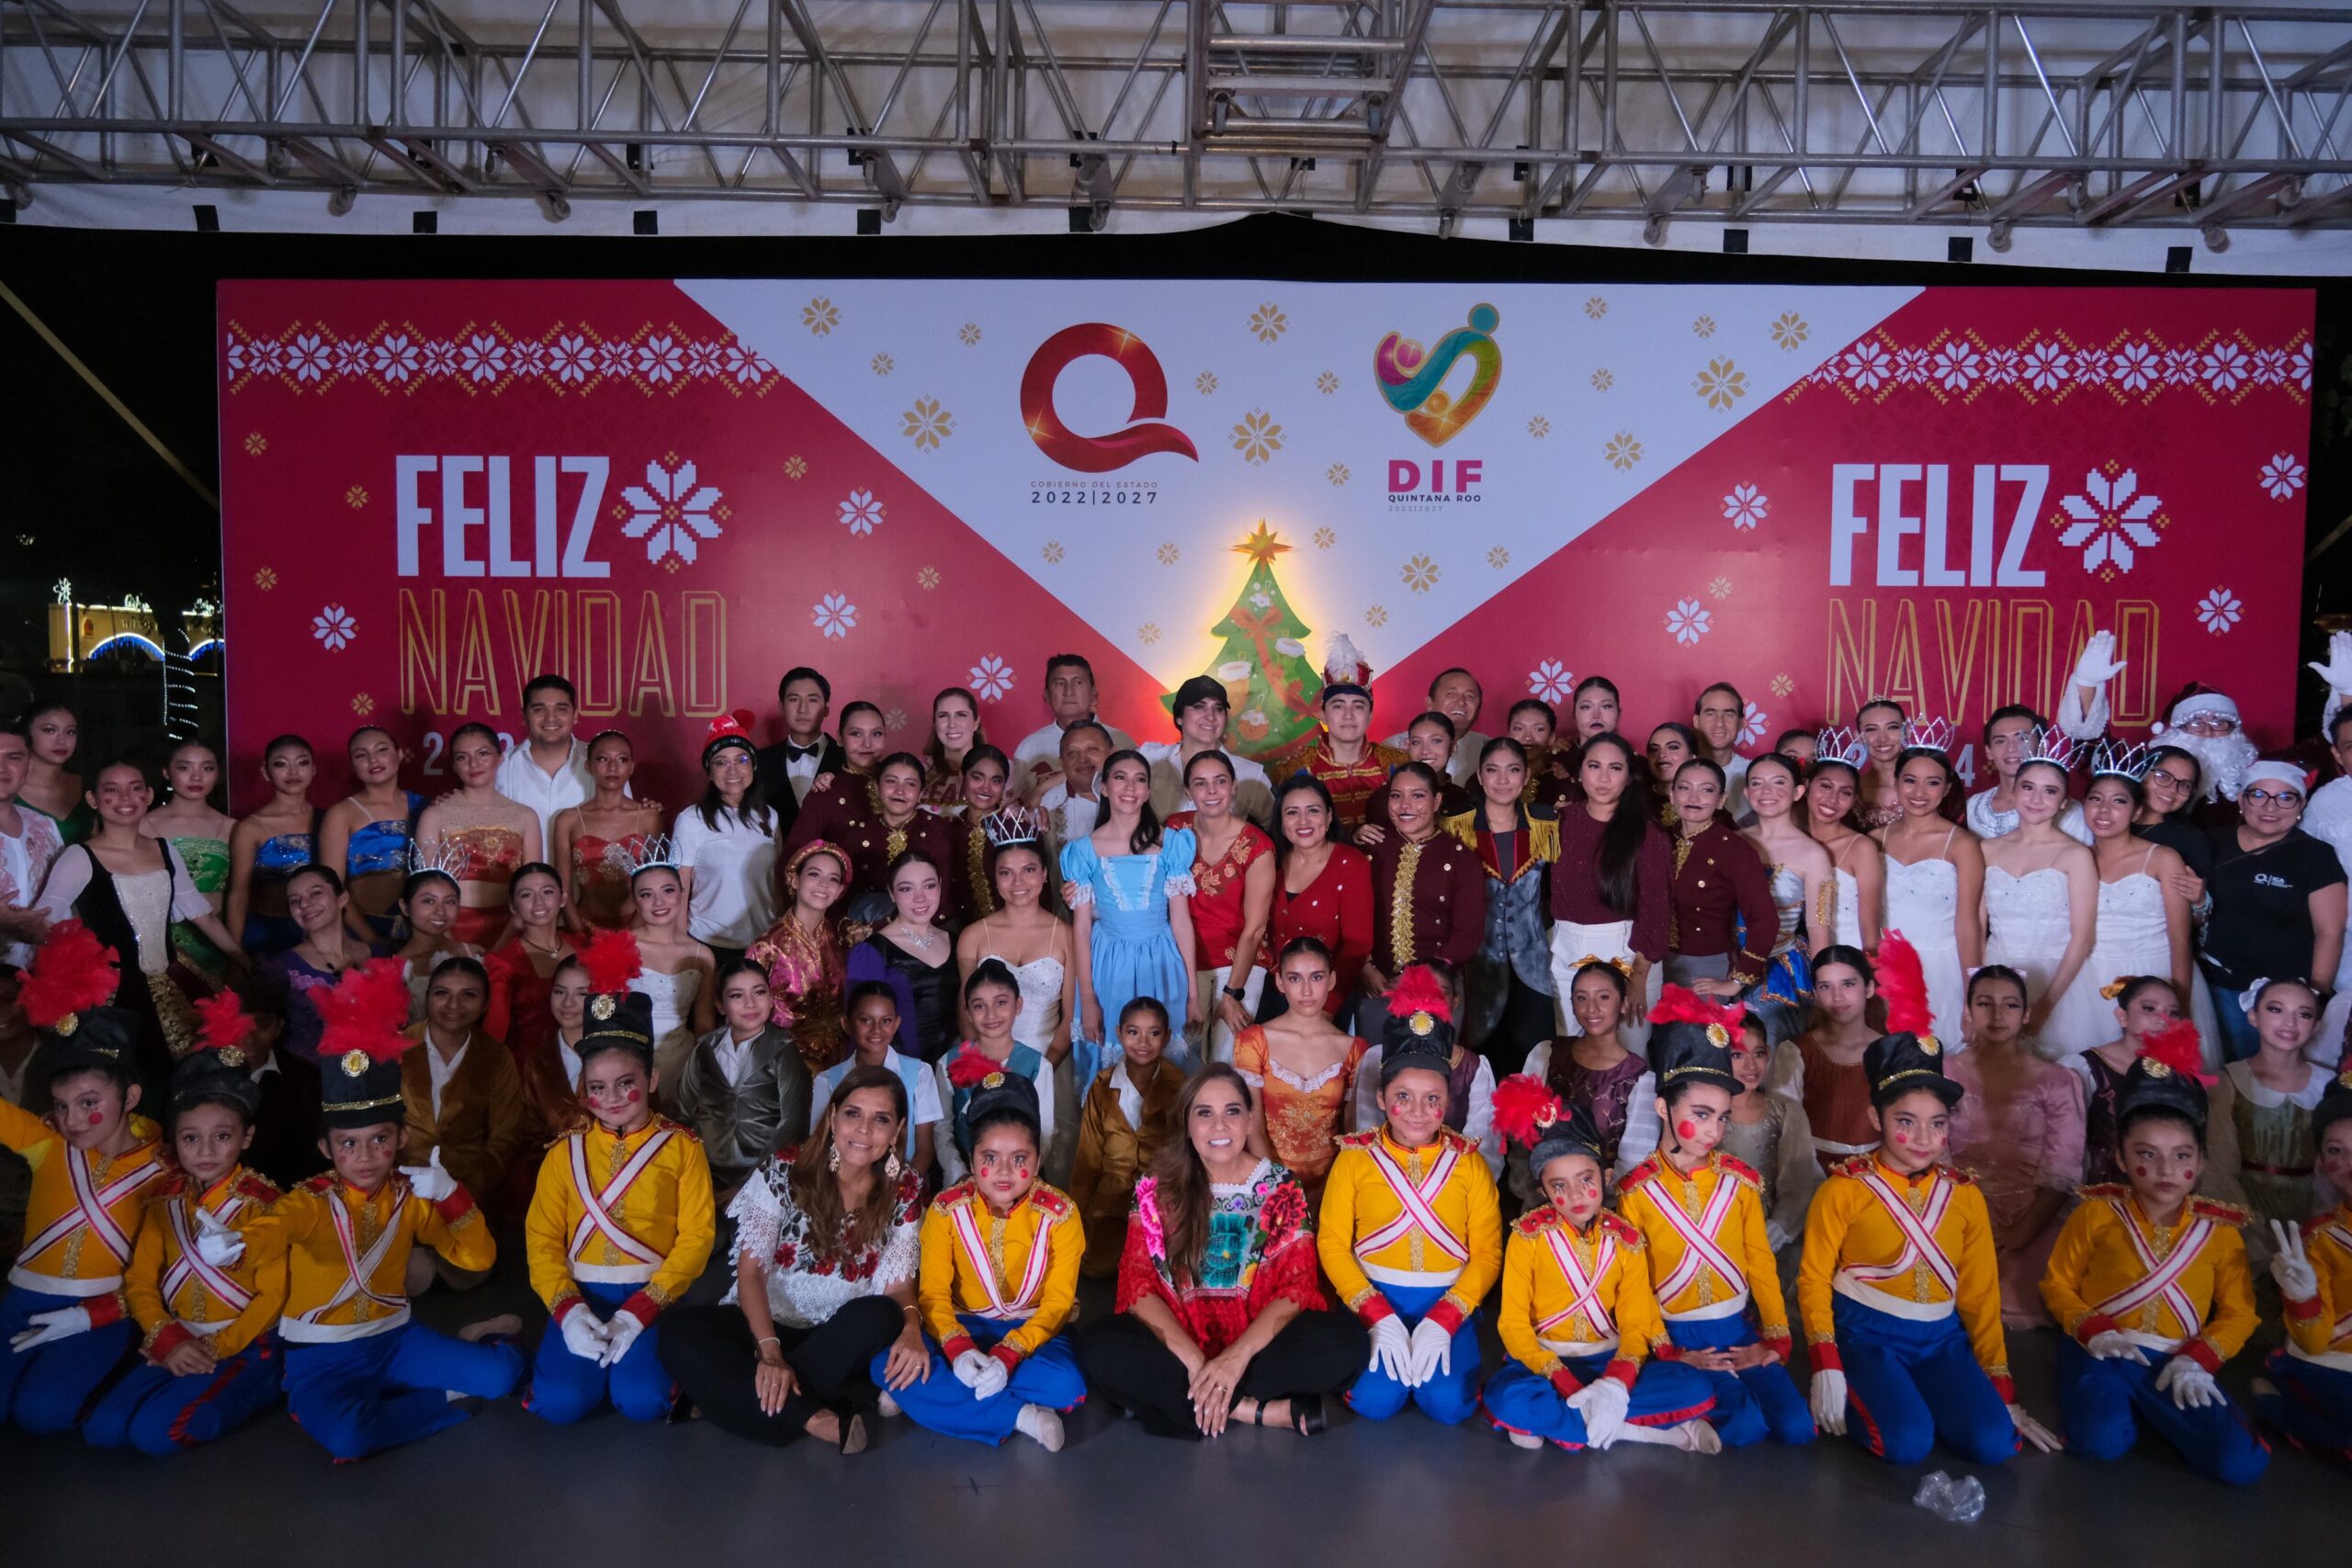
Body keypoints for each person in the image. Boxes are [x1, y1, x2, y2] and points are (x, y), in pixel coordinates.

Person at [1798, 959, 2063, 1465]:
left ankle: (1926, 1399)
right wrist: (1825, 1361)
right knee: (1906, 1442)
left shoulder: (1964, 1195)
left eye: (1937, 1124)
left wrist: (2002, 1391)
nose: (1924, 1140)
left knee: (1993, 1443)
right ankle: (1882, 1396)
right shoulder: (1845, 1189)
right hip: (1866, 1332)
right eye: (1906, 1121)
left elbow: (1981, 1294)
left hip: (1941, 1338)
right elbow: (1812, 1280)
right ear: (1875, 1116)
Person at [276, 958, 525, 1461]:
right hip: (324, 1357)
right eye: (348, 1145)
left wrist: (452, 1192)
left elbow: (477, 1258)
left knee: (505, 1375)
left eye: (380, 1140)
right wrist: (231, 1246)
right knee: (350, 1435)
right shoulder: (304, 1200)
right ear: (326, 1148)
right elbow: (267, 1233)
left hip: (395, 1338)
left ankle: (455, 1357)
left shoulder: (412, 1195)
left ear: (400, 1138)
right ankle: (435, 1397)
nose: (364, 1158)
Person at [1079, 1065, 1365, 1438]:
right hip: (1180, 1348)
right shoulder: (1153, 1189)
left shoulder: (1280, 1186)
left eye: (1232, 1111)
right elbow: (1138, 1285)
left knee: (1348, 1342)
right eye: (1205, 1113)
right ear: (1187, 1124)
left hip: (1257, 1349)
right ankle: (1250, 1409)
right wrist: (1198, 1362)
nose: (1219, 1126)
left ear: (1249, 1120)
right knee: (1097, 1346)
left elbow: (1296, 1290)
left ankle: (1187, 1403)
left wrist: (1234, 1358)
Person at [659, 1065, 927, 1450]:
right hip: (766, 1323)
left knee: (882, 1315)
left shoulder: (905, 1185)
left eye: (880, 1119)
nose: (864, 1129)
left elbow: (898, 1286)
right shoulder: (786, 1167)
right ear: (833, 1116)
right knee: (678, 1331)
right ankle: (812, 1417)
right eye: (853, 1113)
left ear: (898, 1130)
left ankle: (727, 1399)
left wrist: (913, 1330)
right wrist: (769, 1353)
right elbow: (751, 1272)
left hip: (838, 1334)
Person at [2041, 1056, 2267, 1483]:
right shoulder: (2095, 1214)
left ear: (2200, 1163)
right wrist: (2093, 1330)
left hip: (2179, 1358)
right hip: (2103, 1350)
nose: (2166, 1170)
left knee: (2240, 1464)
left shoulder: (2220, 1232)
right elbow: (2057, 1284)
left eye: (2181, 1155)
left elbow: (2240, 1314)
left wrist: (2200, 1359)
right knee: (2100, 1442)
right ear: (2122, 1159)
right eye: (2147, 1154)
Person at [85, 997, 288, 1454]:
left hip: (242, 1343)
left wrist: (216, 1347)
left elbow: (273, 1296)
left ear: (246, 1137)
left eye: (223, 1136)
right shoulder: (163, 1201)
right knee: (102, 1429)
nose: (206, 1151)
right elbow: (139, 1281)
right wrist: (167, 1338)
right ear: (174, 1140)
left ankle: (269, 1386)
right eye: (190, 1138)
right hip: (177, 1336)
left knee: (155, 1434)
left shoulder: (269, 1207)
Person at [1614, 1001, 1815, 1448]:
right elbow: (1635, 1286)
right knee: (1746, 1429)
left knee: (1798, 1429)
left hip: (1737, 1328)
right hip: (1678, 1332)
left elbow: (1760, 1263)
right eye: (1701, 1114)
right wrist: (1671, 1350)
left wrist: (1775, 1339)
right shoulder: (1636, 1193)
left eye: (1721, 1117)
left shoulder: (1740, 1183)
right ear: (1664, 1109)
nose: (1714, 1130)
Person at [1482, 1087, 1723, 1453]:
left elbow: (1635, 1319)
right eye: (1559, 1186)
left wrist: (1616, 1382)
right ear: (1544, 1191)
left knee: (1694, 1385)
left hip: (1607, 1358)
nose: (1576, 1196)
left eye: (1586, 1179)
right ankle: (1648, 1433)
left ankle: (1563, 1424)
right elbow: (1513, 1324)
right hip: (1546, 1362)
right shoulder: (1526, 1238)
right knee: (1509, 1396)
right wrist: (1566, 1383)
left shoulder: (1626, 1239)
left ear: (1606, 1175)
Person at [522, 986, 716, 1425]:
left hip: (653, 1293)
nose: (610, 1098)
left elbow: (697, 1237)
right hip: (581, 1293)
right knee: (559, 1404)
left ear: (651, 1080)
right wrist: (567, 1311)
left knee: (644, 1402)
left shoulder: (683, 1149)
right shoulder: (563, 1154)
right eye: (597, 1087)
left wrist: (643, 1309)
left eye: (626, 1084)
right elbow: (542, 1238)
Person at [1317, 967, 1501, 1424]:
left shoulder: (1469, 1163)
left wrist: (1447, 1318)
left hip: (1447, 1300)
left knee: (1449, 1407)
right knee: (1375, 1404)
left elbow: (1487, 1253)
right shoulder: (1355, 1159)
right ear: (1380, 1098)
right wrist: (1375, 1312)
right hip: (1374, 1296)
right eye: (1403, 1096)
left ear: (1448, 1103)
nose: (1419, 1112)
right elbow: (1333, 1244)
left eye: (1432, 1099)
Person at [1, 927, 165, 1433]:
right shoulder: (46, 1141)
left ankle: (121, 1367)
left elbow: (164, 1268)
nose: (72, 1120)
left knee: (41, 1415)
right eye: (62, 1105)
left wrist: (97, 1315)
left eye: (89, 1103)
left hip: (103, 1308)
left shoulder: (165, 1167)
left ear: (130, 1098)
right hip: (25, 1296)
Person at [889, 1071, 1085, 1450]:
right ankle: (1022, 1416)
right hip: (961, 1324)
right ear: (970, 1157)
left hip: (1033, 1331)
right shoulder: (946, 1209)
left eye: (1020, 1158)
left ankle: (929, 1395)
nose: (1004, 1172)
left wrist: (1010, 1352)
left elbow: (1058, 1303)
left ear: (1039, 1157)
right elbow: (932, 1294)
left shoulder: (1062, 1213)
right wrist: (958, 1349)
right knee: (886, 1360)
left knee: (1067, 1385)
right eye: (990, 1158)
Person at [34, 759, 247, 1092]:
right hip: (109, 993)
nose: (125, 798)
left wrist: (244, 960)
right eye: (112, 790)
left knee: (189, 1079)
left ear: (149, 795)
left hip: (174, 977)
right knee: (120, 1083)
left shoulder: (164, 849)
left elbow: (201, 915)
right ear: (93, 799)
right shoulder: (79, 856)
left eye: (135, 789)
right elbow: (46, 919)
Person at [1946, 966, 2086, 1327]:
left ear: (2026, 1014)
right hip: (1955, 1214)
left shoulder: (2057, 1080)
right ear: (1968, 1011)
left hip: (2032, 1217)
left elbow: (2063, 1170)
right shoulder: (1942, 1073)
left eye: (2009, 1005)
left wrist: (2018, 1234)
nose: (1996, 1016)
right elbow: (1930, 1156)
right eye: (1984, 1003)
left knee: (2023, 1294)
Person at [1065, 749, 1200, 1084]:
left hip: (1162, 961)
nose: (1130, 787)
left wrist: (1194, 995)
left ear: (1149, 790)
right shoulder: (1083, 851)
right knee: (1113, 1063)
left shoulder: (1171, 845)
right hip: (1109, 963)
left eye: (1140, 779)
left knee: (1164, 1059)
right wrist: (1088, 998)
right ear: (1105, 788)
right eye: (1120, 778)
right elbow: (1081, 929)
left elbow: (1181, 921)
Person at [2201, 762, 2346, 1062]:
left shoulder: (2316, 856)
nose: (2270, 807)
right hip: (2216, 988)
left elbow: (2329, 932)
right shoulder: (2211, 843)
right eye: (2258, 795)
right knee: (2220, 1077)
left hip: (2284, 999)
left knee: (2273, 1078)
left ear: (2301, 805)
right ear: (2241, 800)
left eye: (2285, 797)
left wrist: (2316, 994)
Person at [955, 825, 1078, 1162]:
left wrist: (1040, 1068)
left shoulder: (1066, 935)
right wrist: (984, 1067)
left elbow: (1071, 1017)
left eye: (1028, 871)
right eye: (1006, 873)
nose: (1018, 882)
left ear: (1043, 875)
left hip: (1050, 1061)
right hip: (983, 1064)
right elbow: (966, 1009)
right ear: (994, 879)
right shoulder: (973, 935)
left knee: (1048, 1151)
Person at [1979, 731, 2105, 1057]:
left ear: (2064, 802)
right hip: (1996, 970)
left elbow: (2083, 938)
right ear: (2015, 790)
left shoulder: (2076, 855)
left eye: (2049, 791)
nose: (2036, 799)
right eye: (2028, 787)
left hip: (2057, 979)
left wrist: (2046, 1003)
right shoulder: (1987, 850)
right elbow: (1977, 925)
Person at [1444, 739, 1558, 1076]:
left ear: (1525, 777)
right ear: (1479, 776)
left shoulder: (1543, 824)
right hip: (1479, 966)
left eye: (1513, 771)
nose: (1503, 780)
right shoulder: (1458, 825)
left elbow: (1555, 892)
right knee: (1481, 1061)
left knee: (1536, 1060)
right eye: (1493, 770)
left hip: (1534, 964)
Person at [401, 954, 525, 1261]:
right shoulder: (396, 1047)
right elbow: (378, 1125)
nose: (453, 1005)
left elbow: (505, 1137)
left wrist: (461, 1193)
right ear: (427, 998)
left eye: (468, 995)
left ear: (484, 1004)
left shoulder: (496, 1057)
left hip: (470, 1195)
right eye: (442, 993)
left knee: (468, 1270)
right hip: (401, 1194)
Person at [2257, 1067, 2352, 1457]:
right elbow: (2313, 1342)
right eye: (2335, 1151)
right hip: (2332, 1363)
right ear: (2320, 1162)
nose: (2350, 1162)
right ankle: (2279, 1410)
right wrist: (2303, 1294)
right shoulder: (2317, 1238)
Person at [2083, 749, 2204, 1053]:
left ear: (2136, 811)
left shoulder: (2163, 857)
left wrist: (2181, 1008)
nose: (2104, 811)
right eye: (2095, 800)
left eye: (2119, 801)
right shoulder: (2078, 857)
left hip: (2155, 968)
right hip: (2089, 979)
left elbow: (2180, 937)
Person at [1548, 734, 1668, 1036]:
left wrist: (1638, 978)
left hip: (1630, 955)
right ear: (1579, 772)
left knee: (1629, 1054)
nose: (1603, 778)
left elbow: (1656, 908)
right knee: (1570, 1052)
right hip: (1565, 951)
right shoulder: (1557, 822)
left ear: (1628, 776)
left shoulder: (1647, 833)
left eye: (1615, 768)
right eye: (1594, 766)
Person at [1234, 939, 1374, 1196]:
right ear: (1280, 983)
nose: (1307, 991)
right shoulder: (1254, 1041)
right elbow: (1251, 1124)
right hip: (1268, 1180)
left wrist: (1339, 1189)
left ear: (1331, 980)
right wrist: (1277, 1188)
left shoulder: (1354, 1049)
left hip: (1333, 1181)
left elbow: (1352, 1128)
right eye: (1295, 978)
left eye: (1316, 977)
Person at [1361, 761, 1486, 1047]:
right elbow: (1351, 920)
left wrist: (1420, 978)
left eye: (1418, 796)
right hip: (1375, 987)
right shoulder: (1370, 849)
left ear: (1437, 800)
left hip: (1438, 990)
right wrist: (1365, 969)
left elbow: (1467, 935)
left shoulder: (1459, 858)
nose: (1405, 805)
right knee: (1375, 1070)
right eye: (1396, 796)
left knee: (1435, 1071)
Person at [672, 957, 809, 1200]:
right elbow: (682, 1112)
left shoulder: (784, 1051)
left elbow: (791, 1126)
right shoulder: (705, 1050)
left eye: (759, 993)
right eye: (737, 995)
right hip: (705, 1172)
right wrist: (697, 1175)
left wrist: (749, 1185)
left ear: (770, 999)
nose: (750, 1004)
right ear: (720, 1005)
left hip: (763, 1176)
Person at [2208, 976, 2332, 1247]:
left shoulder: (2328, 1086)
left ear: (2315, 1026)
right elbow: (2219, 1168)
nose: (2289, 1023)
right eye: (2276, 1010)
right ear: (2253, 1016)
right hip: (2248, 1211)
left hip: (2315, 1214)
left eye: (2304, 1014)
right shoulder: (2228, 1080)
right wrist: (2248, 1230)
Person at [1169, 750, 1275, 1064]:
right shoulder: (1174, 831)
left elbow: (1255, 930)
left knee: (1226, 1063)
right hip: (1183, 963)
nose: (1211, 791)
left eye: (1220, 781)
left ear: (1234, 786)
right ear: (1188, 791)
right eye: (1200, 784)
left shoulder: (1257, 846)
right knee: (1183, 1064)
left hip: (1239, 966)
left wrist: (1233, 994)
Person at [1070, 996, 1188, 1277]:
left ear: (1167, 1036)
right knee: (1096, 1270)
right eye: (1133, 1032)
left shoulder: (1180, 1088)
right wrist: (1076, 1222)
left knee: (1160, 1273)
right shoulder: (1101, 1088)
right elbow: (1087, 1160)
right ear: (1119, 1033)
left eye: (1154, 1033)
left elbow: (1186, 1156)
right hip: (1109, 1205)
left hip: (1161, 1205)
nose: (1143, 1042)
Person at [1876, 737, 1981, 1045]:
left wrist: (1972, 995)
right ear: (1896, 783)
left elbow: (1968, 924)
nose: (1919, 793)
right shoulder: (1871, 840)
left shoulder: (1962, 844)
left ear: (1947, 788)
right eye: (1910, 780)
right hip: (1885, 971)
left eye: (1932, 783)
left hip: (1940, 971)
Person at [1516, 962, 1651, 1200]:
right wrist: (1540, 1192)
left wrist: (1586, 1199)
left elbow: (1634, 1162)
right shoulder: (1547, 1054)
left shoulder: (1639, 1078)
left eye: (1604, 997)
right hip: (1545, 1198)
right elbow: (1519, 1130)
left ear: (1624, 1004)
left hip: (1605, 1205)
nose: (1592, 1009)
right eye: (1581, 998)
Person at [414, 723, 542, 951]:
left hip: (511, 928)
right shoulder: (434, 815)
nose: (474, 764)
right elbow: (423, 888)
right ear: (454, 765)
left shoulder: (525, 816)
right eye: (463, 758)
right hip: (449, 931)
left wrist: (515, 929)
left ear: (500, 758)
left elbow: (533, 886)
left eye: (483, 754)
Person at [787, 751, 956, 921]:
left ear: (921, 793)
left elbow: (943, 893)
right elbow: (844, 898)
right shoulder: (858, 834)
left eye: (910, 784)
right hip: (870, 933)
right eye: (891, 781)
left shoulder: (937, 829)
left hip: (933, 927)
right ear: (876, 787)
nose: (900, 790)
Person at [2064, 978, 2197, 1187]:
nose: (2163, 1019)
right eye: (2149, 1009)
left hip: (2165, 1193)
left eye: (2172, 1013)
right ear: (2122, 1016)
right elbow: (2064, 1148)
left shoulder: (2181, 1074)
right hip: (2103, 1194)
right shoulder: (2086, 1068)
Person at [673, 711, 778, 969]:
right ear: (709, 771)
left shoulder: (770, 816)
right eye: (721, 762)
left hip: (762, 942)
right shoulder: (691, 821)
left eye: (741, 759)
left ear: (753, 765)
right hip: (708, 943)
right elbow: (679, 889)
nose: (733, 770)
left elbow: (777, 884)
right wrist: (679, 943)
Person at [1264, 775, 1373, 1024]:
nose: (1303, 821)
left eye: (1313, 811)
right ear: (1281, 821)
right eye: (1292, 812)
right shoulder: (1270, 861)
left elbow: (1357, 944)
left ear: (1329, 816)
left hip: (1327, 998)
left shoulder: (1351, 864)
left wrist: (1327, 1007)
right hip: (1274, 990)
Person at [1665, 759, 1776, 1001]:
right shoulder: (1658, 840)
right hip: (1651, 964)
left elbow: (1765, 920)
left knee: (1695, 1038)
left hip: (1704, 968)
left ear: (1721, 800)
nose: (1694, 797)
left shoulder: (1734, 850)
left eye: (1706, 789)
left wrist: (1737, 981)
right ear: (1671, 795)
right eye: (1684, 788)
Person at [1720, 999, 1820, 1269]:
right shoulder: (1707, 1113)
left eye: (1759, 1054)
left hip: (1769, 1233)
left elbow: (1798, 1181)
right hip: (1714, 1231)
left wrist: (1775, 1230)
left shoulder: (1785, 1113)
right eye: (1737, 1054)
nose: (1750, 1065)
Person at [936, 962, 1057, 1182]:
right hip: (964, 1179)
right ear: (968, 1012)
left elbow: (1045, 1131)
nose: (991, 1014)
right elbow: (942, 1126)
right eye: (979, 1006)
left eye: (1001, 1002)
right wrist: (958, 1172)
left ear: (1018, 1005)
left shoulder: (1036, 1065)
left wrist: (1022, 1173)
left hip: (1020, 1178)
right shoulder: (949, 1062)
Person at [1267, 640, 1406, 831]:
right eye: (1338, 706)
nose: (1348, 715)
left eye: (1358, 706)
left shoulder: (1396, 764)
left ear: (1370, 715)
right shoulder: (1295, 769)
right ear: (1322, 714)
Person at [812, 983, 943, 1179]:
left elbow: (924, 1148)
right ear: (847, 1024)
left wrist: (902, 1191)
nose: (876, 1030)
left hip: (902, 1185)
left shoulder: (920, 1074)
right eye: (866, 1020)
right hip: (842, 1183)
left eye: (886, 1021)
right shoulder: (828, 1081)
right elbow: (819, 1144)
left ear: (897, 1024)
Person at [1739, 753, 1835, 1010]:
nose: (1767, 791)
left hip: (1778, 969)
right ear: (1747, 793)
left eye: (1779, 782)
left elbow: (1819, 929)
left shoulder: (1814, 855)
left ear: (1798, 791)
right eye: (1757, 783)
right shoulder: (1731, 842)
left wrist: (1824, 991)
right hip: (1725, 963)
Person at [748, 840, 852, 1073]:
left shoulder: (842, 938)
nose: (823, 885)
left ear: (839, 891)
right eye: (814, 874)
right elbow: (748, 1014)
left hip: (839, 1059)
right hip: (784, 1063)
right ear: (795, 880)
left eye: (833, 879)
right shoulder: (767, 946)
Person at [846, 851, 958, 1064]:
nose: (920, 898)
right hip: (896, 1072)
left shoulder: (957, 941)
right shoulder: (872, 951)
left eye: (929, 885)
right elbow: (861, 1029)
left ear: (940, 886)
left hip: (952, 1070)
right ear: (891, 893)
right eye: (906, 888)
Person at [142, 739, 238, 982]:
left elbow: (240, 892)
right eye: (185, 768)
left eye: (207, 768)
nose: (196, 777)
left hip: (218, 941)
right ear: (166, 772)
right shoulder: (144, 825)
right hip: (162, 942)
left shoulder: (233, 828)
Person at [260, 863, 375, 1066]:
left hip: (375, 1078)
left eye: (315, 893)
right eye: (295, 901)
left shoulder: (376, 955)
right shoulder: (281, 966)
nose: (304, 904)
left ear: (342, 899)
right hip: (311, 1081)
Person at [552, 731, 667, 931]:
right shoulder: (568, 820)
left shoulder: (649, 817)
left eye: (622, 759)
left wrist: (628, 936)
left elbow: (656, 884)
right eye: (603, 759)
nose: (613, 767)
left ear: (631, 767)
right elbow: (563, 890)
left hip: (637, 929)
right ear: (588, 766)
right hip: (584, 928)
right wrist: (580, 933)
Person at [1784, 945, 1883, 1172]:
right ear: (1816, 994)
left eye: (1848, 984)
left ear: (1868, 988)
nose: (1837, 997)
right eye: (1825, 987)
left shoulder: (1891, 1051)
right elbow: (1785, 1130)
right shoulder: (1796, 1051)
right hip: (1813, 1171)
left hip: (1879, 1174)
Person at [318, 726, 420, 943]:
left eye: (381, 750)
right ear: (352, 764)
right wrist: (370, 939)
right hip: (364, 931)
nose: (373, 760)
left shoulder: (425, 806)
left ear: (400, 754)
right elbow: (332, 887)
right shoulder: (341, 814)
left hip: (420, 932)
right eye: (361, 755)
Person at [222, 733, 318, 958]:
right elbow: (238, 894)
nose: (293, 772)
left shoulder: (329, 819)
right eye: (281, 764)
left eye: (302, 763)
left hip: (321, 933)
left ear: (314, 769)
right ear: (266, 772)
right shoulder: (251, 827)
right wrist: (235, 955)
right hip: (268, 934)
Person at [626, 857, 717, 1084]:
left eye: (667, 891)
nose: (659, 902)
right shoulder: (621, 946)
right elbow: (604, 1014)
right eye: (646, 894)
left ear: (681, 893)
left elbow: (704, 1024)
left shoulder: (701, 955)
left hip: (681, 1061)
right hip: (628, 1060)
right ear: (636, 902)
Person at [1143, 675, 1275, 828]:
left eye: (1218, 709)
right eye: (1199, 707)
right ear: (1179, 717)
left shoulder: (1250, 773)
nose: (1210, 716)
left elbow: (1280, 829)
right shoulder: (1148, 759)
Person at [482, 863, 582, 1062]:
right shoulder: (503, 963)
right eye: (526, 895)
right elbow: (493, 1035)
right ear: (513, 905)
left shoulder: (585, 946)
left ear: (562, 898)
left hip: (590, 1066)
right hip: (533, 1070)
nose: (538, 902)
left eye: (547, 892)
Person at [495, 674, 600, 849]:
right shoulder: (500, 767)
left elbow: (626, 817)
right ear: (524, 716)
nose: (550, 718)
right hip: (520, 875)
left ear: (575, 715)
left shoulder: (601, 762)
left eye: (561, 709)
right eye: (539, 710)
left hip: (584, 876)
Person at [1012, 654, 1134, 802]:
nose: (1069, 692)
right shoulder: (1029, 749)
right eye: (1060, 684)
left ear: (1094, 694)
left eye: (1078, 683)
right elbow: (1019, 807)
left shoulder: (1121, 742)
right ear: (1047, 696)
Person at [1968, 705, 2093, 845]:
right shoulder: (1973, 806)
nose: (2011, 748)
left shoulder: (2070, 812)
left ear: (2042, 745)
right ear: (1989, 751)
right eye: (2000, 741)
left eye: (2022, 738)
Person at [1804, 745, 1884, 953]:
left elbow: (1870, 930)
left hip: (1848, 956)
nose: (1832, 799)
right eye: (1826, 787)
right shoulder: (1793, 840)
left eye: (1845, 793)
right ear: (1806, 786)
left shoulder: (1861, 848)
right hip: (1795, 960)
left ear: (1854, 800)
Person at [0, 719, 64, 971]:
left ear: (29, 764)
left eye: (14, 757)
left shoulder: (45, 826)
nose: (2, 768)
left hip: (41, 982)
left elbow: (66, 904)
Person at [752, 666, 845, 830]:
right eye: (794, 700)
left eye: (813, 700)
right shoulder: (759, 762)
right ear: (782, 706)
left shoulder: (846, 759)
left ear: (826, 709)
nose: (803, 709)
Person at [1362, 710, 1475, 836]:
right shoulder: (1383, 798)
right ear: (1408, 747)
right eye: (1416, 742)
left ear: (1453, 746)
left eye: (1436, 741)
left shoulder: (1463, 798)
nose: (1425, 751)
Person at [941, 747, 1014, 924]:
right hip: (960, 935)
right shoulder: (947, 831)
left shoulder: (1016, 829)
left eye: (996, 781)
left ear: (1005, 785)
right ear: (962, 777)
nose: (986, 788)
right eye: (977, 777)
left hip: (1015, 936)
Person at [1383, 667, 1488, 790]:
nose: (1461, 702)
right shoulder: (1390, 749)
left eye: (1470, 696)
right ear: (1429, 703)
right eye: (1451, 694)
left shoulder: (1486, 748)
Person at [390, 866, 478, 1013]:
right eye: (429, 901)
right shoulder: (394, 969)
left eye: (450, 902)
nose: (440, 911)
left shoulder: (474, 953)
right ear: (405, 907)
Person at [16, 701, 91, 845]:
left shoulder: (87, 785)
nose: (62, 741)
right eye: (50, 730)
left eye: (70, 732)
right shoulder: (8, 788)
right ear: (27, 733)